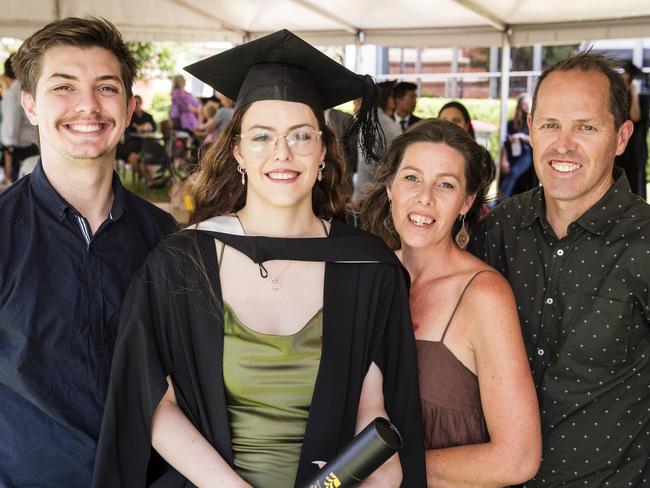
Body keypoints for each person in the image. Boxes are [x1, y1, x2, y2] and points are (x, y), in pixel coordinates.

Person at [92, 29, 426, 488]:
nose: (282, 153)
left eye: (301, 136)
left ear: (324, 151)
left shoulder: (368, 268)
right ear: (237, 152)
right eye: (262, 136)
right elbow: (154, 403)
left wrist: (379, 480)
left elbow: (376, 417)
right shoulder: (184, 260)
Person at [0, 17, 176, 488]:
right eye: (63, 86)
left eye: (106, 87)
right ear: (30, 106)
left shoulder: (168, 240)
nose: (87, 105)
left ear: (131, 107)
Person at [469, 52, 649, 487]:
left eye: (586, 127)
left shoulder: (645, 243)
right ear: (530, 128)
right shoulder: (497, 230)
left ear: (622, 137)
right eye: (550, 124)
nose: (563, 144)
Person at [361, 118, 541, 486]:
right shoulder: (366, 276)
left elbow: (517, 459)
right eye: (412, 178)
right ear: (391, 187)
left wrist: (388, 472)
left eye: (445, 184)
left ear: (467, 201)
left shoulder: (483, 295)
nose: (425, 197)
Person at [1, 54, 38, 182]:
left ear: (5, 75)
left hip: (22, 151)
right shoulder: (33, 87)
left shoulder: (13, 93)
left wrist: (8, 163)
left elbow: (10, 131)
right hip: (36, 146)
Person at [615, 61, 648, 199]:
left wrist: (633, 94)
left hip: (634, 147)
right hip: (619, 146)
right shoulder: (617, 98)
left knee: (634, 176)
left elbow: (636, 117)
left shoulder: (641, 99)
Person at [499, 93, 535, 198]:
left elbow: (535, 140)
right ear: (519, 106)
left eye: (529, 104)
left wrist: (521, 136)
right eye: (524, 104)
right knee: (508, 176)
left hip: (527, 154)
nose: (527, 106)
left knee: (513, 173)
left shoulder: (534, 122)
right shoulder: (512, 123)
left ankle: (499, 201)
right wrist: (504, 160)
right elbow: (505, 143)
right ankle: (503, 202)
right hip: (512, 155)